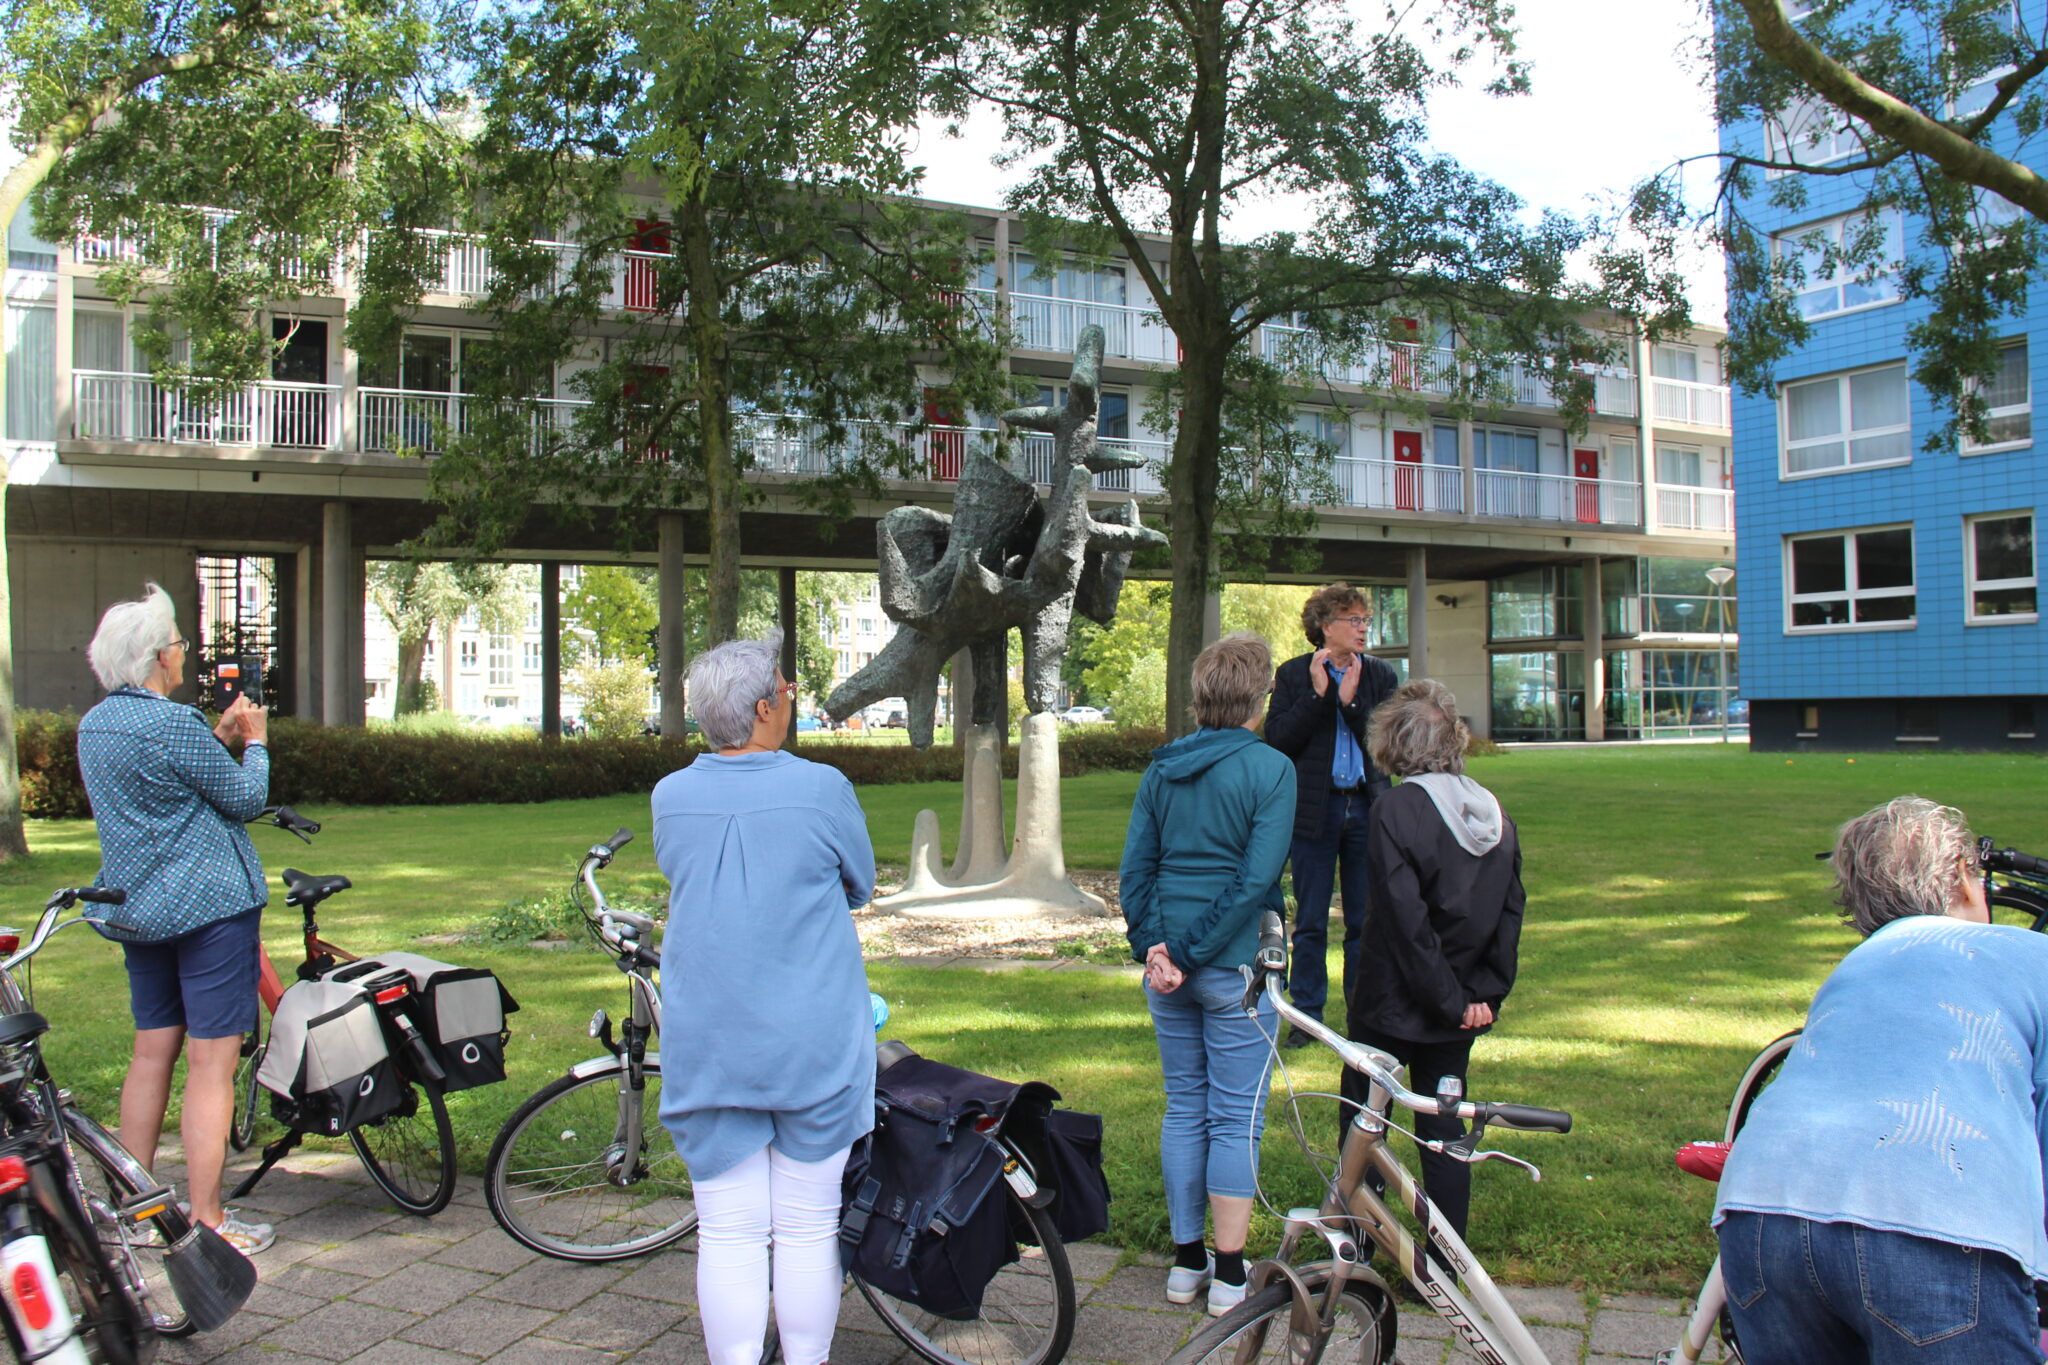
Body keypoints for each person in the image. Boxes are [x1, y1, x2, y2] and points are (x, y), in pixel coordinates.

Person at [1714, 797, 2048, 1364]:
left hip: (1757, 1214)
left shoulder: (1856, 968)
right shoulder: (2032, 954)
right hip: (1934, 1219)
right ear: (1966, 880)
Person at [653, 634, 876, 1365]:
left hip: (710, 1039)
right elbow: (861, 884)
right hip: (812, 1039)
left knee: (728, 1228)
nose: (791, 695)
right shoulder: (823, 788)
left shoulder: (671, 796)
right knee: (810, 1223)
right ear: (762, 707)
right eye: (784, 687)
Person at [74, 583, 275, 1256]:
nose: (184, 652)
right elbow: (244, 798)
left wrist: (213, 735)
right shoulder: (171, 723)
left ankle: (132, 1211)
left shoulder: (96, 725)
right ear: (160, 657)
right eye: (179, 643)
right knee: (212, 1065)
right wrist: (256, 742)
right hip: (211, 910)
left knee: (149, 1052)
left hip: (140, 911)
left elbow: (161, 789)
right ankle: (209, 1219)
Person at [1120, 632, 1297, 1316]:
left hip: (1171, 967)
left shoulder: (1162, 768)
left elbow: (1137, 869)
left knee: (1185, 1107)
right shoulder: (1272, 769)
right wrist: (1187, 952)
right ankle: (1228, 1271)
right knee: (1235, 1117)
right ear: (1259, 699)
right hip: (1231, 968)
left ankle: (1185, 1262)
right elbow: (1256, 880)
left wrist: (1156, 949)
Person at [1339, 679, 1522, 1248]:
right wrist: (1481, 997)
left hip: (1393, 1006)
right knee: (1444, 1127)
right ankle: (1446, 1259)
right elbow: (1511, 912)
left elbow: (1402, 921)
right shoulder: (1493, 812)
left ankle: (1357, 1247)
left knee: (1364, 1121)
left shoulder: (1395, 808)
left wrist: (1456, 1000)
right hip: (1460, 1006)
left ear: (1394, 742)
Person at [1263, 583, 1400, 1047]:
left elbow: (1389, 746)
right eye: (1354, 620)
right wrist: (1319, 697)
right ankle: (1307, 1019)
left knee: (1364, 920)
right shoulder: (1294, 674)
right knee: (1313, 920)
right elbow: (1278, 741)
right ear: (1326, 627)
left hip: (1367, 807)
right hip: (1313, 813)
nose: (1364, 628)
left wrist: (1352, 701)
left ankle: (1365, 1016)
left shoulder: (1380, 675)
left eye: (1365, 619)